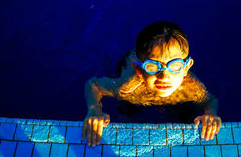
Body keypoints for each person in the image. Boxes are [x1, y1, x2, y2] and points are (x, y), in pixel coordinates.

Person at [81, 21, 222, 146]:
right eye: (153, 67)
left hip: (177, 96)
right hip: (135, 88)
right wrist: (94, 109)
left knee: (189, 117)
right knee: (126, 111)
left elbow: (210, 100)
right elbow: (93, 85)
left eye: (175, 66)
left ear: (186, 68)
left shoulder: (191, 87)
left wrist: (210, 113)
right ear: (140, 70)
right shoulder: (127, 87)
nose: (165, 76)